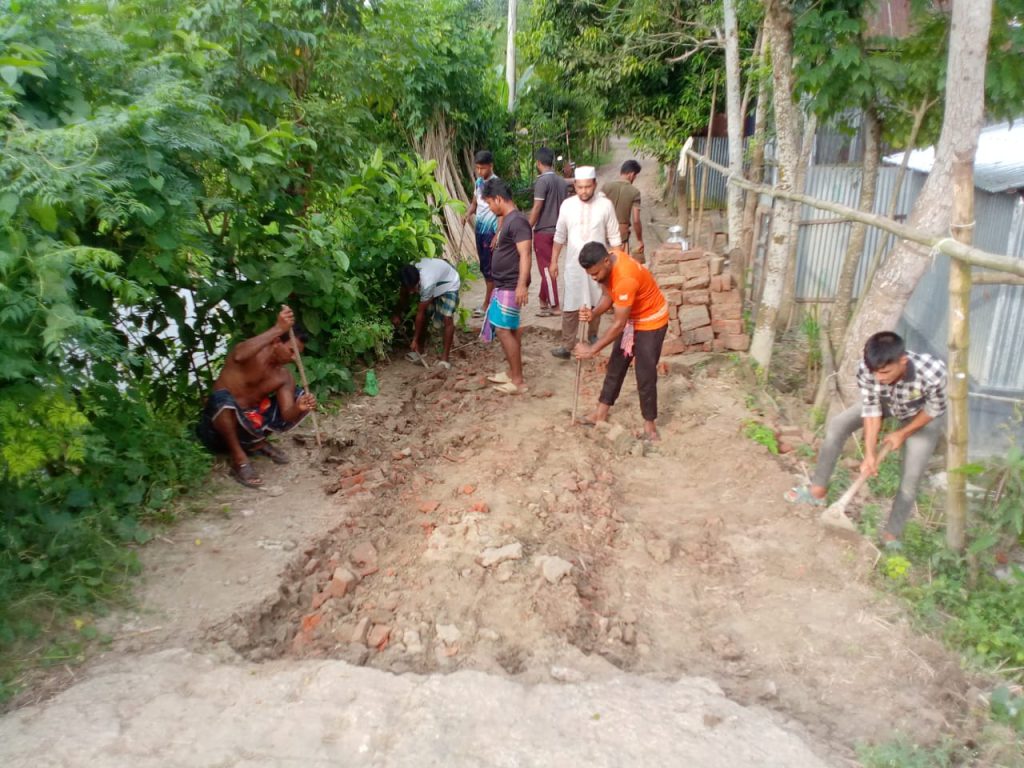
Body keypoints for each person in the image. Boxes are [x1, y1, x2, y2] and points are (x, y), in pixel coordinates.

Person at [785, 331, 947, 542]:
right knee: (838, 425)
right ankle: (817, 491)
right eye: (875, 373)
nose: (879, 377)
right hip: (887, 402)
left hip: (921, 414)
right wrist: (870, 455)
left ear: (903, 361)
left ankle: (891, 536)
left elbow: (934, 410)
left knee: (912, 475)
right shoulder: (866, 369)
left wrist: (903, 433)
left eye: (885, 372)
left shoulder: (933, 372)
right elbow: (871, 412)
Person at [196, 306, 318, 488]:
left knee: (300, 395)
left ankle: (256, 444)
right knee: (223, 400)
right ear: (277, 341)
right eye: (291, 351)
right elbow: (238, 354)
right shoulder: (248, 355)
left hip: (248, 428)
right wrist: (279, 327)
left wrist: (298, 407)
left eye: (297, 355)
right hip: (217, 432)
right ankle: (239, 459)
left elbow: (286, 416)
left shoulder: (283, 376)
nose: (294, 358)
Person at [573, 242, 668, 441]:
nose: (595, 278)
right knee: (616, 365)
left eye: (596, 273)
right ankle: (600, 413)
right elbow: (609, 294)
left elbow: (617, 325)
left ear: (606, 261)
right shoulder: (610, 261)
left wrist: (592, 350)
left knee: (645, 373)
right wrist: (593, 313)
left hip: (651, 322)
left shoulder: (626, 277)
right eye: (591, 275)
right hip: (632, 320)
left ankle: (649, 425)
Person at [550, 166, 622, 360]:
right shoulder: (567, 205)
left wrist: (617, 265)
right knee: (571, 304)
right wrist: (553, 261)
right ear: (575, 185)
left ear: (595, 184)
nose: (584, 191)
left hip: (599, 267)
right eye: (580, 187)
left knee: (597, 300)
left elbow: (615, 239)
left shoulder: (605, 205)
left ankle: (592, 337)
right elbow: (559, 235)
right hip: (574, 265)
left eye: (588, 187)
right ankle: (567, 345)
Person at [478, 177, 532, 394]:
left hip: (510, 285)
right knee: (508, 329)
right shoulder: (509, 220)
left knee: (503, 330)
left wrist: (521, 285)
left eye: (490, 203)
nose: (490, 208)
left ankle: (518, 380)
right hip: (504, 285)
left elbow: (525, 254)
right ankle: (512, 373)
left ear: (499, 199)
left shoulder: (517, 221)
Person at [393, 258, 461, 369]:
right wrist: (397, 313)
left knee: (447, 318)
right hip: (436, 280)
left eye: (414, 288)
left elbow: (421, 313)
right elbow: (403, 295)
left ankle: (445, 360)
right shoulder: (408, 273)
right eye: (409, 289)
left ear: (419, 279)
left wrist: (414, 339)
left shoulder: (427, 282)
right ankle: (420, 350)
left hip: (449, 283)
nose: (412, 292)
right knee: (427, 314)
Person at [527, 146, 567, 317]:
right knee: (550, 265)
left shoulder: (542, 181)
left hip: (543, 231)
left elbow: (537, 207)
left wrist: (527, 226)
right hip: (559, 230)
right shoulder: (561, 182)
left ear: (538, 163)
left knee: (546, 269)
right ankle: (543, 300)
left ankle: (555, 305)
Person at [463, 150, 500, 318]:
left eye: (483, 168)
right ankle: (491, 301)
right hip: (479, 231)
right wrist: (467, 214)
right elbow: (474, 204)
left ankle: (488, 304)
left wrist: (497, 234)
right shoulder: (478, 182)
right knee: (485, 268)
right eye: (477, 168)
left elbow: (502, 212)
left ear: (491, 166)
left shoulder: (496, 184)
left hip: (491, 231)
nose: (480, 172)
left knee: (490, 268)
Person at [602, 159, 645, 260]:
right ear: (631, 174)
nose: (634, 178)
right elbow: (636, 220)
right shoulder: (635, 192)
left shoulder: (606, 187)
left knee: (603, 262)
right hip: (621, 234)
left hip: (603, 231)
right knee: (620, 263)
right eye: (635, 176)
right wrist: (639, 240)